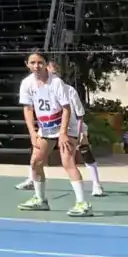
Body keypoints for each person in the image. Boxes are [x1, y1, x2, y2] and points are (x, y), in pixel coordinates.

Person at [16, 60, 107, 203]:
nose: (39, 67)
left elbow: (78, 113)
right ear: (27, 64)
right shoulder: (31, 84)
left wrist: (80, 132)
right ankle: (36, 191)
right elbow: (30, 109)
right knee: (36, 159)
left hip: (71, 127)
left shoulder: (67, 89)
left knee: (74, 158)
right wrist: (34, 132)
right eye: (32, 63)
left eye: (46, 66)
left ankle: (94, 187)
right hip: (48, 128)